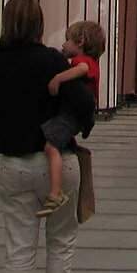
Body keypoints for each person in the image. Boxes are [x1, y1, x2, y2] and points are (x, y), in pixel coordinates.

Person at [0, 0, 84, 273]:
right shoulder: (52, 60)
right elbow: (83, 104)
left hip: (12, 165)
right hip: (55, 162)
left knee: (18, 246)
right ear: (39, 23)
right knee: (61, 239)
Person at [35, 20, 104, 218]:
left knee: (51, 146)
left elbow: (81, 70)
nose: (63, 45)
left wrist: (58, 78)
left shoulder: (84, 63)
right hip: (72, 114)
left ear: (80, 42)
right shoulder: (85, 62)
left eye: (67, 40)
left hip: (72, 115)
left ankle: (55, 192)